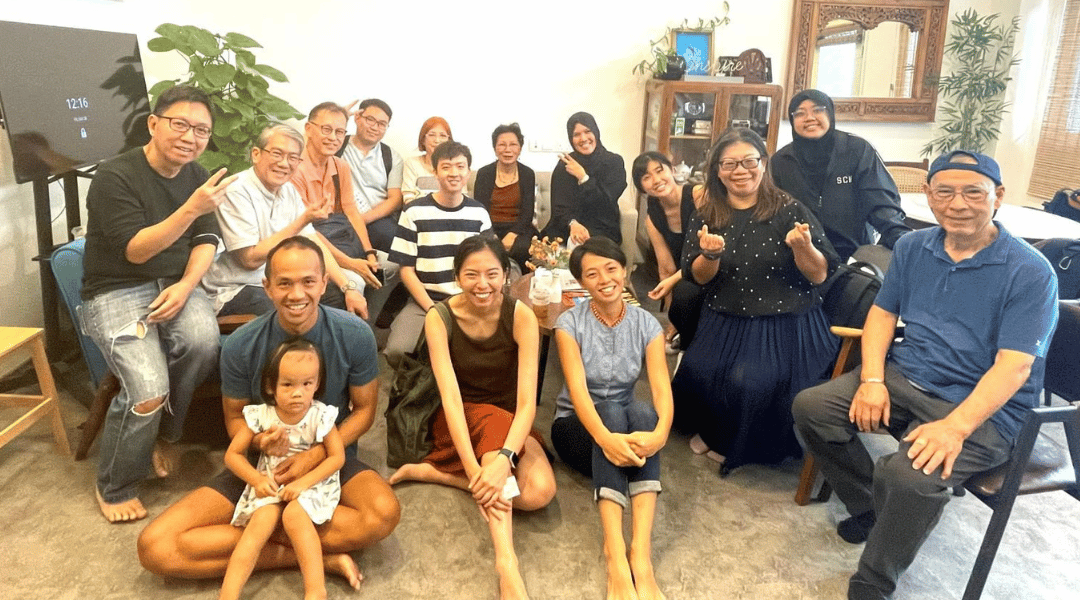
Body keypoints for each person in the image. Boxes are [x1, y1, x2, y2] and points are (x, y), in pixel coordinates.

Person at [792, 151, 1058, 600]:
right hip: (905, 377)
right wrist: (873, 379)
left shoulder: (1030, 272)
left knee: (910, 476)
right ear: (929, 198)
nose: (958, 204)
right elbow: (882, 314)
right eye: (945, 192)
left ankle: (874, 581)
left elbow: (1015, 367)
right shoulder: (914, 248)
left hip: (982, 406)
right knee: (811, 408)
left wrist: (955, 427)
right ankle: (875, 508)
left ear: (998, 197)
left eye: (973, 192)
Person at [138, 236, 401, 589]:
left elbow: (365, 410)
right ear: (267, 287)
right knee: (155, 548)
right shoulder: (240, 345)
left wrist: (315, 456)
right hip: (261, 470)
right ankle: (311, 557)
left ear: (324, 283)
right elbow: (234, 417)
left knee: (382, 515)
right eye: (285, 283)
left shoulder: (354, 334)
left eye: (308, 281)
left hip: (326, 460)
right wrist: (260, 442)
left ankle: (260, 540)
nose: (297, 294)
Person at [81, 84, 236, 522]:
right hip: (114, 288)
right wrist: (190, 208)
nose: (190, 137)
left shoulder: (196, 173)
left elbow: (207, 239)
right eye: (181, 124)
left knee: (204, 342)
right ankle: (115, 484)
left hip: (174, 283)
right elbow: (135, 251)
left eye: (201, 130)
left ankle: (166, 433)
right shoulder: (115, 175)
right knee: (148, 390)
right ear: (154, 123)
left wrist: (187, 285)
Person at [389, 235, 556, 600]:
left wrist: (505, 458)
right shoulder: (440, 317)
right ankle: (506, 563)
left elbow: (528, 403)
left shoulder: (520, 315)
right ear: (457, 277)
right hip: (457, 421)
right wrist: (479, 464)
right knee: (494, 449)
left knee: (539, 493)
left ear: (506, 275)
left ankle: (438, 474)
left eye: (492, 274)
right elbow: (449, 398)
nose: (483, 285)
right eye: (472, 275)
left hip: (510, 420)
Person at [670, 127, 840, 473]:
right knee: (698, 370)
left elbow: (819, 275)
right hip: (726, 317)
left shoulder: (790, 209)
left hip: (785, 323)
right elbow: (697, 277)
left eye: (749, 161)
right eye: (729, 163)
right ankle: (714, 429)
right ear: (717, 170)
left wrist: (802, 248)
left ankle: (738, 443)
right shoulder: (707, 214)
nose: (740, 170)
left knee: (749, 380)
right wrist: (710, 255)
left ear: (764, 164)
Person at [550, 237, 672, 600]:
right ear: (581, 282)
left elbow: (662, 389)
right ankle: (615, 555)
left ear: (625, 271)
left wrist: (660, 434)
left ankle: (642, 556)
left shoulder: (647, 324)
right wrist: (606, 438)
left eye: (611, 268)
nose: (604, 278)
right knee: (611, 412)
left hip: (623, 433)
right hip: (576, 429)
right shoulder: (568, 323)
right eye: (592, 273)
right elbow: (579, 392)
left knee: (643, 411)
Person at [220, 338, 344, 600]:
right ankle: (228, 594)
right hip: (270, 480)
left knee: (295, 517)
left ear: (317, 384)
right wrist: (256, 479)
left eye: (307, 384)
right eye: (288, 384)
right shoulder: (261, 415)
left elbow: (336, 457)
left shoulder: (320, 415)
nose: (298, 393)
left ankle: (315, 591)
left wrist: (303, 483)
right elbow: (232, 455)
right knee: (258, 526)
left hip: (312, 482)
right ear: (270, 386)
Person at [201, 124, 366, 317]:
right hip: (237, 287)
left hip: (281, 280)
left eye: (293, 158)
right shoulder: (236, 190)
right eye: (277, 154)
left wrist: (348, 288)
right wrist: (302, 220)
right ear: (256, 154)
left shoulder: (288, 190)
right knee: (289, 310)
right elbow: (249, 259)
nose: (284, 163)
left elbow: (313, 241)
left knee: (337, 296)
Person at [385, 141, 493, 368]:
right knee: (397, 352)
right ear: (434, 172)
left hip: (468, 300)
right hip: (424, 300)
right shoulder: (414, 211)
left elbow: (487, 265)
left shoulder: (479, 213)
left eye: (460, 166)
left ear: (468, 172)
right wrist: (433, 309)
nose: (454, 173)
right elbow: (406, 271)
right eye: (446, 167)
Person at [772, 89, 910, 261]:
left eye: (817, 110)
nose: (809, 118)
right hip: (801, 255)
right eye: (800, 113)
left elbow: (880, 201)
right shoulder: (781, 161)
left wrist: (899, 236)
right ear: (792, 120)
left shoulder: (857, 150)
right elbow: (772, 211)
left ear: (830, 113)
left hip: (853, 255)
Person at [291, 102, 382, 302]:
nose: (333, 137)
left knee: (390, 269)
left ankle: (368, 327)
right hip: (310, 245)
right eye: (326, 129)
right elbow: (306, 232)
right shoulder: (294, 170)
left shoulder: (340, 166)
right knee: (355, 282)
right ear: (308, 129)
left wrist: (369, 253)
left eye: (340, 132)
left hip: (342, 240)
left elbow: (351, 210)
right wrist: (350, 263)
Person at [633, 151, 704, 349]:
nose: (656, 180)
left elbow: (709, 251)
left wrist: (674, 281)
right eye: (646, 177)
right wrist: (673, 319)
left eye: (659, 171)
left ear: (672, 170)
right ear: (642, 188)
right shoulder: (652, 218)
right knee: (683, 292)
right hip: (685, 277)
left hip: (713, 265)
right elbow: (666, 269)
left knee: (687, 291)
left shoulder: (698, 195)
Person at [542, 112, 627, 245]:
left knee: (582, 246)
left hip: (602, 228)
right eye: (576, 134)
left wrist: (583, 177)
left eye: (587, 131)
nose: (583, 138)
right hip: (567, 226)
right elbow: (559, 206)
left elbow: (605, 203)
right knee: (546, 250)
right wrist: (573, 223)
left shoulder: (613, 162)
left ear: (596, 132)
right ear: (571, 138)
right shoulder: (566, 163)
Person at [337, 98, 404, 252]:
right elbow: (310, 148)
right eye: (370, 120)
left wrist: (363, 219)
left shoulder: (392, 157)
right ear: (357, 118)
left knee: (396, 241)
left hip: (376, 219)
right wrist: (339, 118)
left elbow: (395, 199)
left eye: (382, 124)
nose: (375, 127)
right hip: (340, 217)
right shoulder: (337, 146)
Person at [472, 123, 539, 271]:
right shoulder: (484, 173)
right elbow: (480, 210)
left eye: (513, 144)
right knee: (486, 248)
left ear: (520, 148)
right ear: (495, 148)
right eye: (502, 144)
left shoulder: (527, 174)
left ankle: (520, 288)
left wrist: (512, 234)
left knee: (523, 248)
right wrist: (492, 235)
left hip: (519, 227)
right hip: (490, 226)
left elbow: (527, 213)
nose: (507, 150)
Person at [402, 116, 453, 202]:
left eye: (443, 136)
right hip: (417, 212)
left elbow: (461, 198)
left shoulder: (455, 165)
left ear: (449, 140)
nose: (437, 140)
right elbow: (408, 198)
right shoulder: (412, 163)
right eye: (432, 135)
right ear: (423, 140)